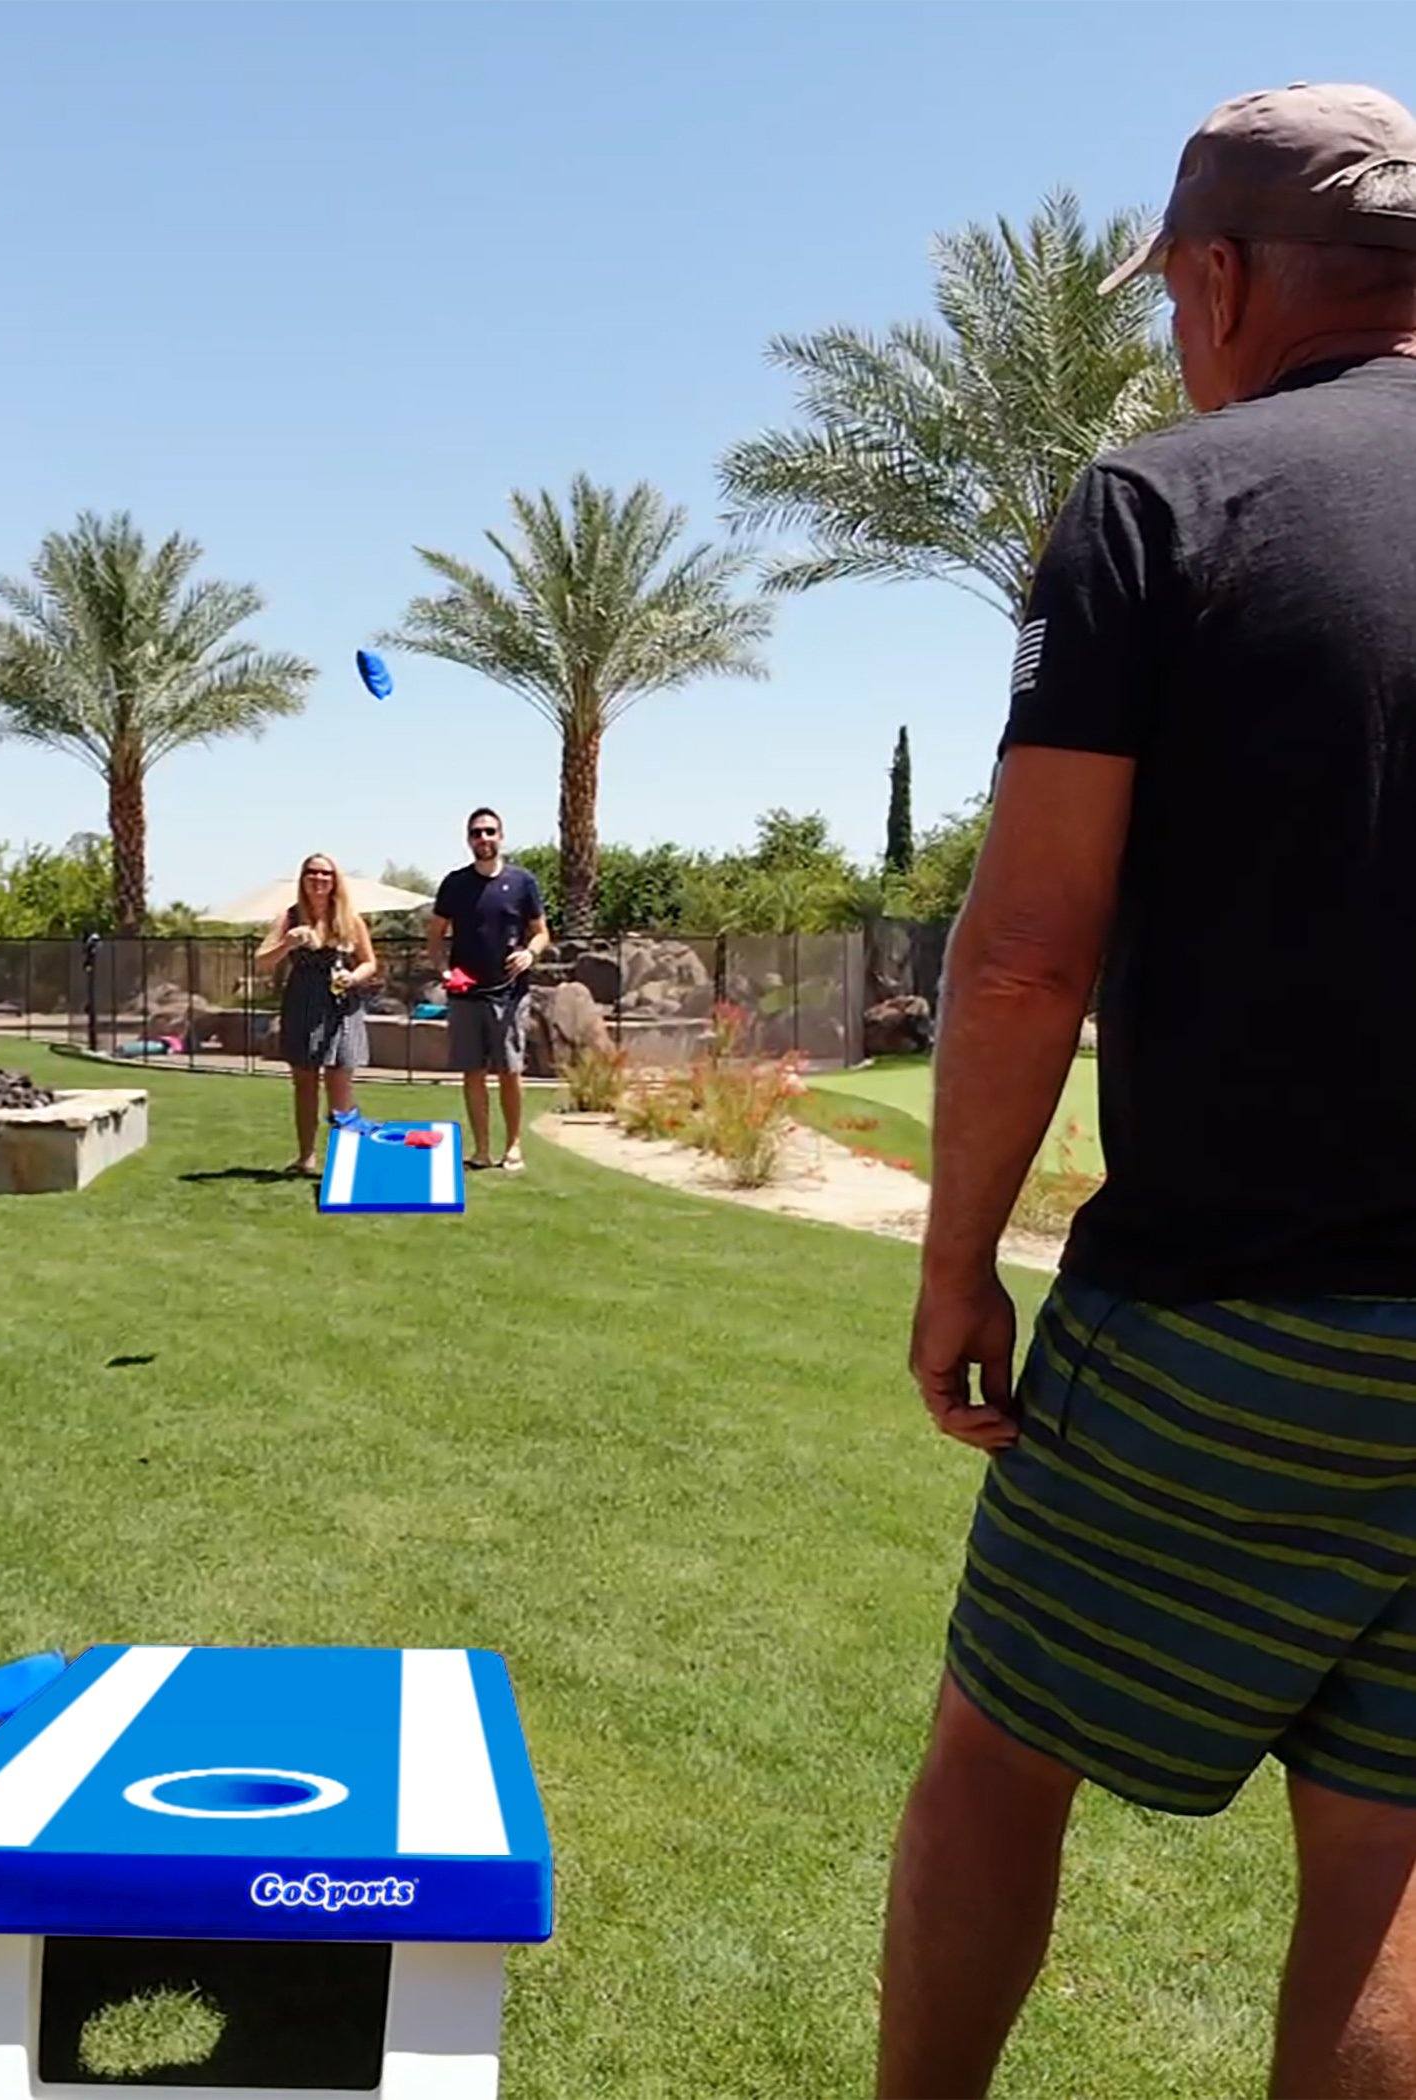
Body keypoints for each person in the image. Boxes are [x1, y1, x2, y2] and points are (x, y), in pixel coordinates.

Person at [884, 84, 1416, 2100]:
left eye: (1175, 298)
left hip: (1229, 1308)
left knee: (995, 1759)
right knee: (1386, 1858)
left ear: (1219, 275)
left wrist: (957, 1264)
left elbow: (1028, 951)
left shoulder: (1165, 504)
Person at [429, 809, 548, 1171]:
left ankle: (513, 1146)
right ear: (469, 839)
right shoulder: (455, 884)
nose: (483, 838)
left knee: (510, 1071)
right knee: (472, 1072)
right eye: (477, 833)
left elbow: (541, 932)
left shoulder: (523, 882)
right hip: (466, 995)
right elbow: (435, 936)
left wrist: (530, 953)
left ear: (501, 836)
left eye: (490, 831)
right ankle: (481, 1150)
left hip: (509, 994)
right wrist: (444, 971)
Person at [256, 855, 378, 1175]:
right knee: (305, 1082)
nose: (319, 878)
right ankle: (306, 1157)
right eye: (311, 873)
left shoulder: (349, 919)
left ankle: (344, 1161)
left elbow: (369, 962)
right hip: (303, 1003)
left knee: (340, 1083)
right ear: (302, 879)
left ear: (335, 880)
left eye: (326, 873)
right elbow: (262, 961)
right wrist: (286, 944)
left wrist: (354, 977)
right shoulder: (290, 917)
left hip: (342, 1005)